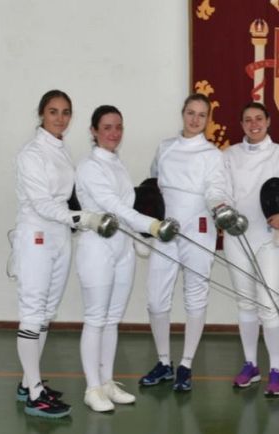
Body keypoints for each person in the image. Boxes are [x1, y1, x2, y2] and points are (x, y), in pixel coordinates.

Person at [12, 90, 106, 418]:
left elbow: (69, 199)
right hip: (35, 236)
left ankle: (29, 382)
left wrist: (82, 216)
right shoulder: (31, 154)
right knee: (32, 312)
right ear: (42, 113)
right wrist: (82, 219)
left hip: (60, 237)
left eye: (66, 112)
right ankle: (36, 392)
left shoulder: (61, 150)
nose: (60, 118)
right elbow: (42, 204)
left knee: (47, 312)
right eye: (53, 111)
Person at [75, 105, 173, 412]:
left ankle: (107, 382)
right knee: (95, 319)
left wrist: (142, 236)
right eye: (106, 127)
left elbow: (126, 207)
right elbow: (113, 206)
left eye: (118, 127)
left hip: (122, 249)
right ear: (93, 131)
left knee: (113, 320)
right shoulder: (89, 167)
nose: (114, 133)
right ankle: (92, 388)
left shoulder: (117, 164)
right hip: (97, 249)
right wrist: (152, 226)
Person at [222, 102, 279, 397]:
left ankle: (276, 368)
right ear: (241, 124)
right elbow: (220, 189)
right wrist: (223, 209)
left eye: (258, 119)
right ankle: (250, 364)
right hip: (237, 237)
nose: (253, 124)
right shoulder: (229, 155)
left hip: (268, 239)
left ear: (268, 121)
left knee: (269, 305)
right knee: (245, 304)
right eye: (247, 120)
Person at [139, 94, 231, 392]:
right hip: (166, 230)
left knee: (195, 296)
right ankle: (164, 362)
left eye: (201, 115)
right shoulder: (165, 148)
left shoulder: (213, 155)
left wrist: (219, 206)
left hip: (199, 228)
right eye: (190, 113)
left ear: (208, 119)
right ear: (183, 114)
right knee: (156, 298)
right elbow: (154, 183)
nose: (195, 119)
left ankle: (186, 364)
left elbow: (216, 188)